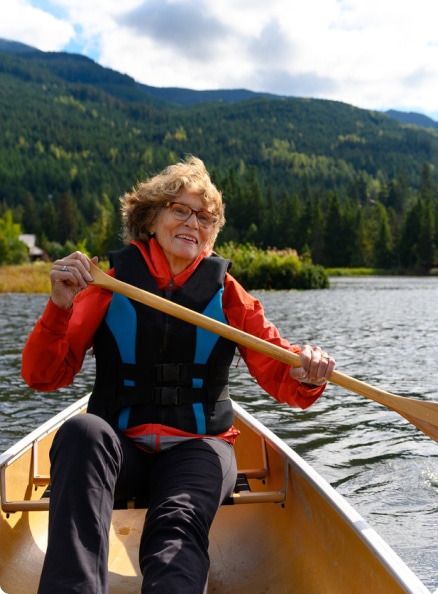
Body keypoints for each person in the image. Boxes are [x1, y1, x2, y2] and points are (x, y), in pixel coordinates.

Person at [21, 155, 336, 594]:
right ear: (151, 218)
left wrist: (308, 372)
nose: (194, 223)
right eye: (180, 210)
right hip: (120, 447)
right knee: (81, 433)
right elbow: (43, 376)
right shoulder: (108, 284)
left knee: (178, 522)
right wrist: (58, 306)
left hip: (199, 448)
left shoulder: (228, 294)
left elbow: (281, 373)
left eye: (206, 217)